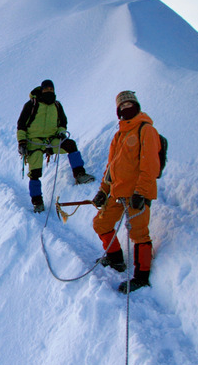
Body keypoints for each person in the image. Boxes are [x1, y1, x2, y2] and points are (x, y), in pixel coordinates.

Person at [91, 90, 161, 293]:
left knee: (139, 234)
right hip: (117, 193)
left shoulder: (146, 130)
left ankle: (141, 277)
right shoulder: (119, 134)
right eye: (122, 106)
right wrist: (104, 191)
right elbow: (110, 168)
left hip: (138, 194)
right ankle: (115, 260)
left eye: (129, 104)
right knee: (101, 223)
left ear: (136, 106)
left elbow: (150, 166)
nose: (126, 108)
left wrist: (141, 192)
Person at [17, 79, 95, 213]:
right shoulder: (31, 105)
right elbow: (21, 125)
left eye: (51, 89)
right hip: (33, 142)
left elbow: (62, 124)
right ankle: (37, 202)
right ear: (41, 90)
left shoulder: (57, 106)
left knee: (70, 145)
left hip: (52, 139)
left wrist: (60, 133)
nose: (49, 91)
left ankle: (79, 174)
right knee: (35, 173)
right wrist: (22, 142)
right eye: (46, 89)